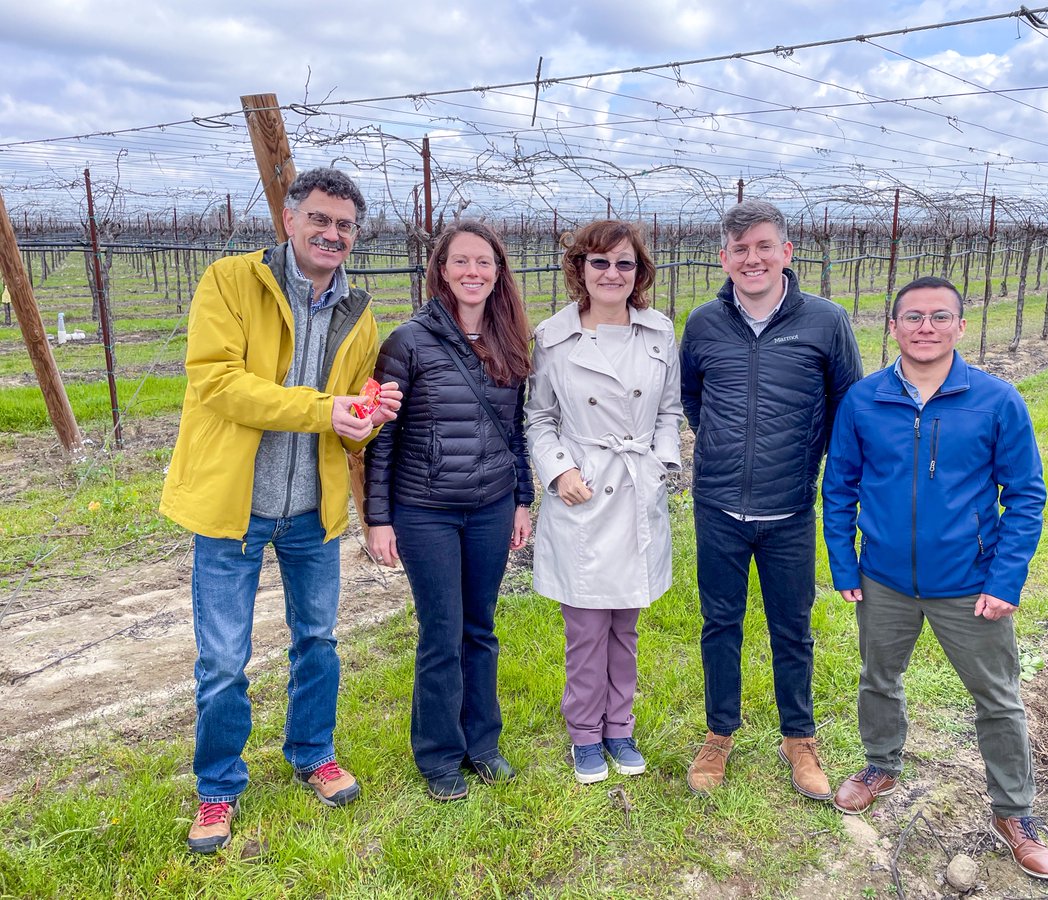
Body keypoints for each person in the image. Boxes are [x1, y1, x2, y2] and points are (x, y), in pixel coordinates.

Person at [160, 167, 402, 854]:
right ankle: (217, 790)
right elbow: (219, 383)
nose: (332, 234)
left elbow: (351, 416)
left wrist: (371, 416)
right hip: (233, 507)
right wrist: (325, 410)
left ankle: (312, 754)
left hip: (311, 511)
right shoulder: (231, 283)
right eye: (320, 220)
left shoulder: (358, 310)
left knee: (317, 642)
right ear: (290, 221)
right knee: (224, 661)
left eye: (345, 226)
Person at [821, 275, 1048, 880]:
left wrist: (1005, 579)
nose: (926, 327)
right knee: (879, 678)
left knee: (998, 699)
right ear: (893, 326)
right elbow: (840, 486)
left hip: (970, 583)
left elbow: (1025, 495)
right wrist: (845, 563)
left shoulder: (996, 400)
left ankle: (1014, 813)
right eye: (914, 317)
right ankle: (880, 765)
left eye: (939, 317)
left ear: (960, 324)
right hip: (884, 579)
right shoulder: (864, 400)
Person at [679, 199, 862, 798]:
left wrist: (811, 470)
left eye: (763, 247)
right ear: (724, 258)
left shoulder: (826, 322)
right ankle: (718, 735)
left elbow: (845, 409)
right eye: (739, 250)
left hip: (789, 508)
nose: (751, 259)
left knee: (793, 628)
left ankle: (799, 739)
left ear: (786, 252)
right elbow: (695, 403)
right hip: (718, 507)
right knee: (719, 624)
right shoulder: (703, 323)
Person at [364, 221, 534, 802]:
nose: (472, 272)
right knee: (442, 631)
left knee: (480, 629)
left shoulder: (510, 339)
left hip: (489, 506)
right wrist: (378, 517)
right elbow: (382, 437)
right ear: (440, 269)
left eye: (483, 263)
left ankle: (482, 745)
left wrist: (521, 500)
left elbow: (515, 431)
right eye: (460, 261)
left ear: (497, 272)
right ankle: (438, 754)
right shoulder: (407, 342)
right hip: (425, 511)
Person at [526, 220, 683, 784]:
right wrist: (559, 470)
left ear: (639, 272)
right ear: (580, 270)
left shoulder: (660, 332)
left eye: (624, 263)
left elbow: (670, 408)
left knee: (626, 624)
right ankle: (585, 734)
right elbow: (540, 417)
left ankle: (620, 725)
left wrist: (663, 462)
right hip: (585, 490)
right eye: (599, 263)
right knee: (586, 627)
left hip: (636, 486)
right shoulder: (552, 337)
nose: (612, 274)